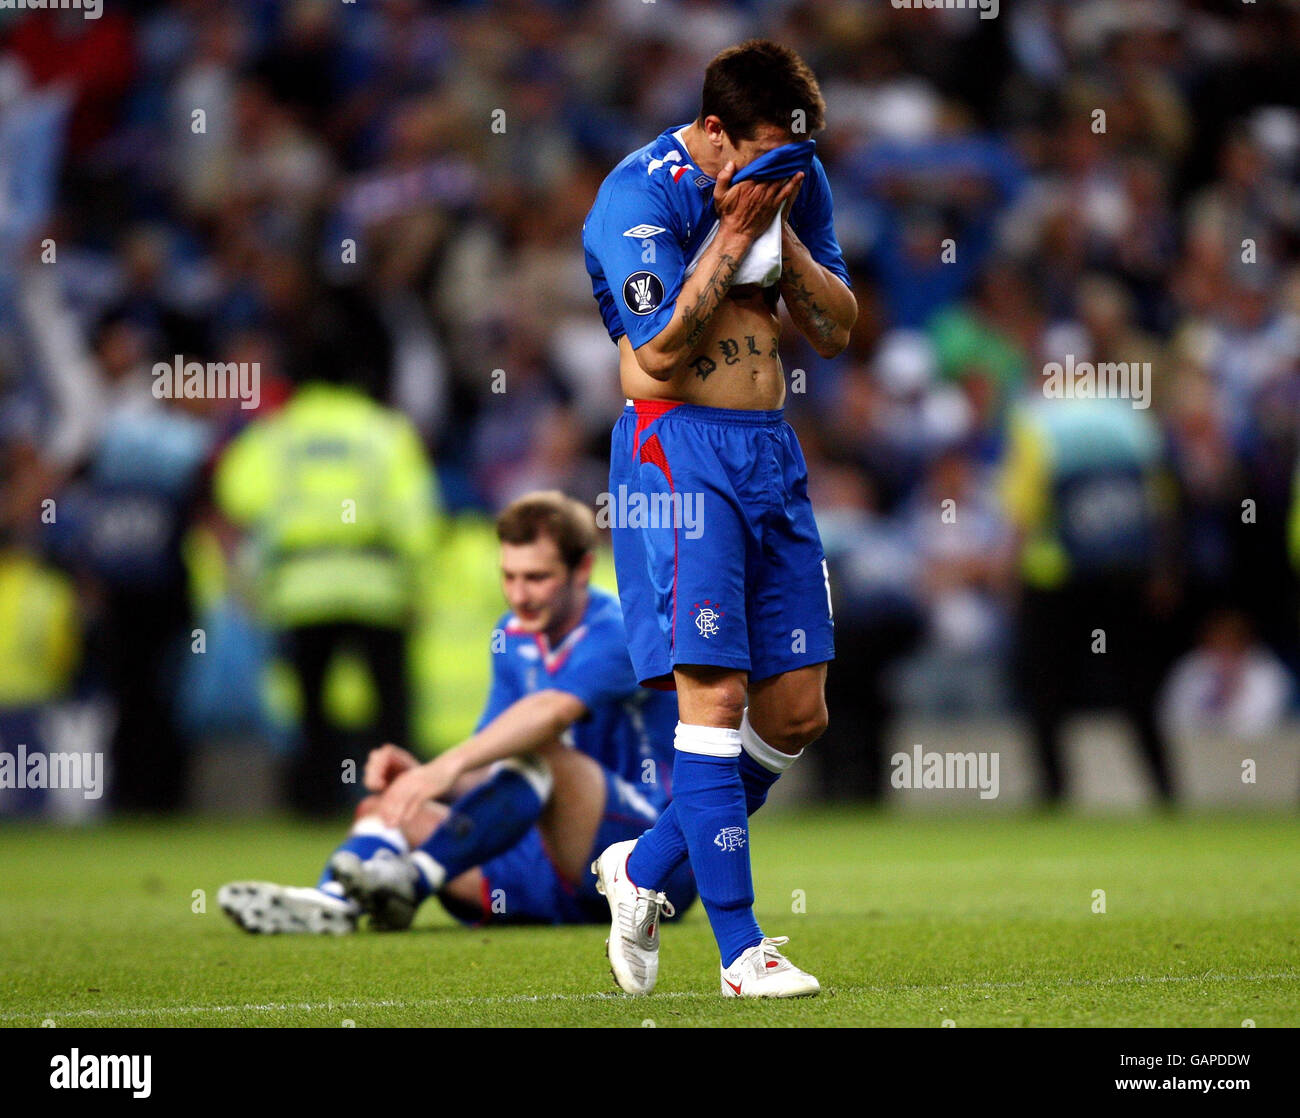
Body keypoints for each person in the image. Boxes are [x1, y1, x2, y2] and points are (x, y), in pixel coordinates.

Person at [581, 40, 857, 997]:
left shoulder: (793, 173)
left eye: (795, 157)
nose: (782, 174)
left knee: (797, 710)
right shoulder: (637, 194)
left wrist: (790, 262)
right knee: (717, 696)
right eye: (763, 157)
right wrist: (735, 238)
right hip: (675, 450)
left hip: (769, 450)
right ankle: (741, 951)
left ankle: (642, 866)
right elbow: (655, 355)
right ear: (710, 134)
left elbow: (835, 326)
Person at [218, 491, 695, 934]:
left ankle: (411, 880)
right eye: (509, 576)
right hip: (558, 865)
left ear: (581, 570)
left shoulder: (620, 633)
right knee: (388, 810)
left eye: (537, 578)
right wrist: (427, 777)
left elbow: (548, 716)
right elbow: (495, 766)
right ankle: (332, 905)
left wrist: (443, 769)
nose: (519, 594)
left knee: (541, 755)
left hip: (651, 859)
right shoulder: (511, 637)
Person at [212, 313, 436, 816]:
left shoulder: (279, 432)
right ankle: (403, 806)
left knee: (312, 710)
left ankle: (314, 806)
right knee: (391, 709)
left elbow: (236, 494)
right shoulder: (384, 430)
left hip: (302, 587)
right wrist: (418, 583)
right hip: (376, 585)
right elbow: (417, 517)